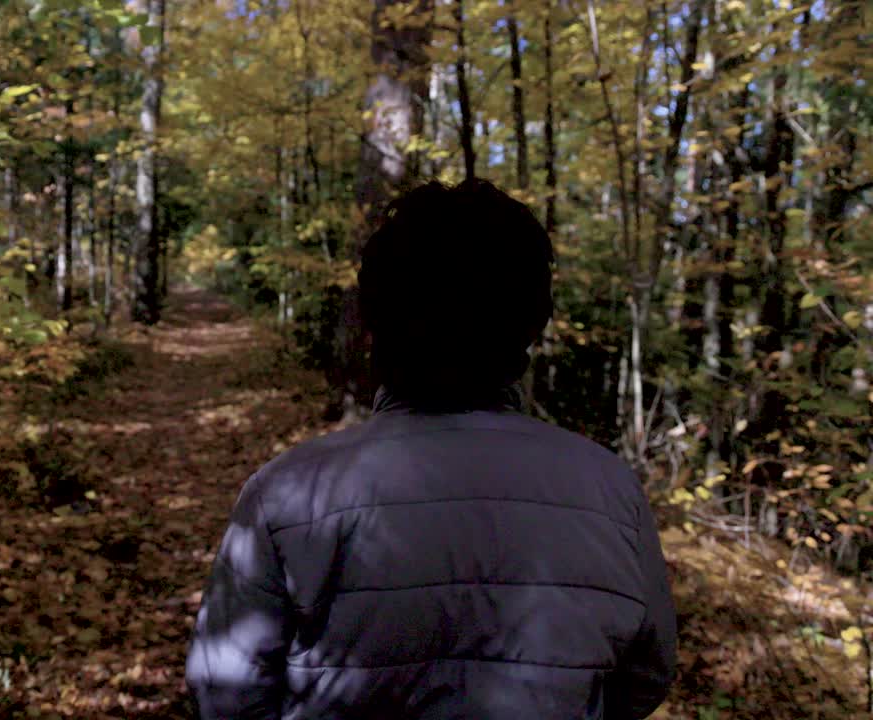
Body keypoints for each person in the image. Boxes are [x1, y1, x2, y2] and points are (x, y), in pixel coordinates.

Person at [184, 179, 677, 719]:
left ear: (372, 324)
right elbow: (645, 676)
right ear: (532, 325)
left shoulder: (286, 493)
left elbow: (225, 692)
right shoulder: (610, 491)